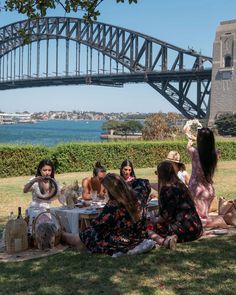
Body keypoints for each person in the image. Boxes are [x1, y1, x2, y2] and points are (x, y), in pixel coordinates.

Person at [61, 173, 151, 256]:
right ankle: (65, 235)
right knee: (92, 233)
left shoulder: (113, 206)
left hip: (122, 241)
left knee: (87, 235)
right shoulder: (139, 195)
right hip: (139, 235)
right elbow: (144, 182)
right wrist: (124, 184)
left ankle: (63, 235)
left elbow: (97, 225)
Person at [148, 161, 203, 250]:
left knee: (147, 229)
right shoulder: (181, 185)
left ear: (161, 174)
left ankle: (165, 242)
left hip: (183, 231)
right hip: (197, 228)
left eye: (157, 173)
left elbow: (164, 218)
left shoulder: (166, 190)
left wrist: (153, 220)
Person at [187, 127, 219, 225]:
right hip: (209, 189)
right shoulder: (216, 153)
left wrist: (190, 139)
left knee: (198, 217)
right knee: (204, 215)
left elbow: (188, 147)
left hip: (196, 188)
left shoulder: (194, 151)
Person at [23, 159, 60, 233]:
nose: (47, 173)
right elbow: (25, 190)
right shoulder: (34, 180)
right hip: (35, 208)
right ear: (40, 170)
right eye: (44, 170)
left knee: (57, 222)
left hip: (48, 208)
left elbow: (56, 195)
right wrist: (33, 181)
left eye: (49, 170)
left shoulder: (53, 182)